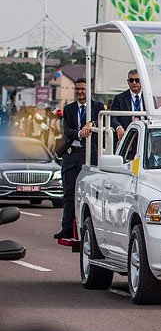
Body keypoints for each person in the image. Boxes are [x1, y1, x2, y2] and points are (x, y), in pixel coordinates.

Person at [54, 78, 105, 240]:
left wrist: (90, 123)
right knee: (69, 192)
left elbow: (102, 122)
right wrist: (78, 133)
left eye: (82, 89)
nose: (80, 92)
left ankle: (88, 229)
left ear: (88, 90)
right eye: (77, 89)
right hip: (72, 154)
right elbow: (67, 130)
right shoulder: (69, 109)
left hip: (90, 155)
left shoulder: (97, 107)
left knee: (89, 194)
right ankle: (67, 227)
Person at [110, 69, 150, 142]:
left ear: (142, 81)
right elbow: (112, 117)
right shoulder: (119, 98)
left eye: (137, 80)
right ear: (128, 82)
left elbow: (153, 118)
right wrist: (118, 127)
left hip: (145, 136)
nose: (134, 83)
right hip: (126, 136)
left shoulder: (149, 98)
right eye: (131, 80)